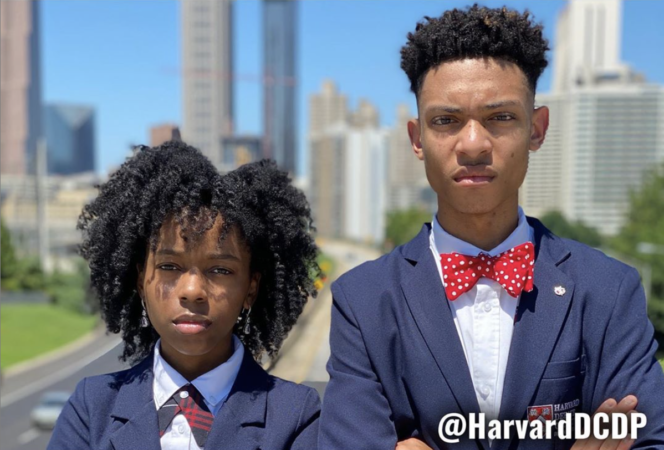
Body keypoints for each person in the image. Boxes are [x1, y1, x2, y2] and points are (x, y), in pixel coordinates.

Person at [318, 4, 664, 450]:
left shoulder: (608, 291)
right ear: (417, 138)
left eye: (500, 117)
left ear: (536, 129)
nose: (474, 144)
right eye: (446, 121)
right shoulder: (362, 301)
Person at [48, 142, 322, 450]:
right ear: (140, 281)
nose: (192, 291)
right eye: (169, 266)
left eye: (220, 270)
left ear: (251, 289)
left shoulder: (297, 416)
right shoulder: (91, 409)